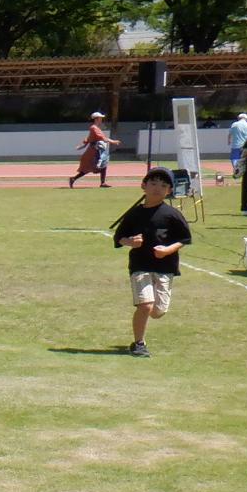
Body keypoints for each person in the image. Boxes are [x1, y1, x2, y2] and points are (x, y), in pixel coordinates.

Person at [113, 167, 191, 358]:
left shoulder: (172, 214)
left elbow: (185, 239)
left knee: (157, 311)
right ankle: (139, 343)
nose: (157, 188)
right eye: (153, 183)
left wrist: (167, 250)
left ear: (169, 191)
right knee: (145, 305)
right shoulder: (134, 214)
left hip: (165, 268)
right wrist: (130, 242)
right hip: (140, 265)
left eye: (163, 185)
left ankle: (145, 325)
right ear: (143, 186)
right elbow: (119, 237)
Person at [69, 111, 117, 188]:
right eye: (100, 118)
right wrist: (113, 141)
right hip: (93, 152)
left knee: (100, 166)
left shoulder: (95, 128)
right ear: (96, 119)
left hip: (95, 151)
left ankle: (102, 183)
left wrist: (83, 146)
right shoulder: (94, 128)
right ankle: (74, 179)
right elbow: (102, 137)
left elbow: (89, 139)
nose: (101, 119)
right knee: (89, 168)